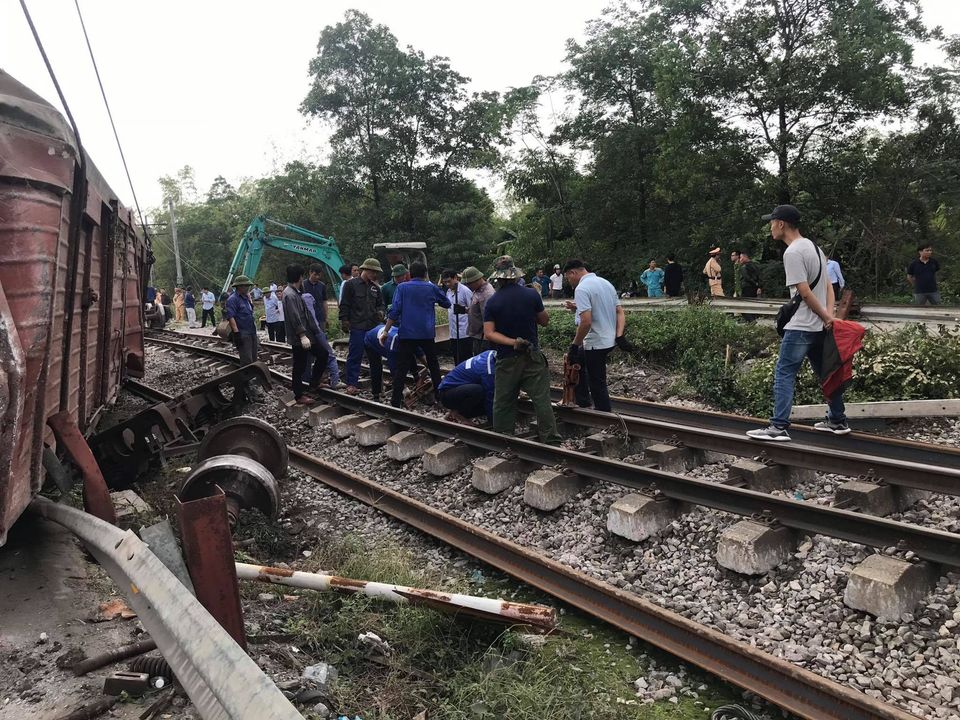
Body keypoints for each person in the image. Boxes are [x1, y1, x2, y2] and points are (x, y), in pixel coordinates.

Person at [747, 204, 848, 442]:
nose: (770, 227)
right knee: (827, 372)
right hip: (819, 326)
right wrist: (829, 315)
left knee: (784, 373)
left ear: (781, 224)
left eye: (772, 222)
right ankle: (837, 420)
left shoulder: (792, 252)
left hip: (801, 326)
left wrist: (826, 316)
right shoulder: (815, 247)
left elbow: (803, 291)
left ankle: (779, 426)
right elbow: (827, 285)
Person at [483, 255, 561, 445]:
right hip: (532, 355)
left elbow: (489, 334)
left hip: (507, 357)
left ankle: (504, 438)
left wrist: (511, 342)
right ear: (515, 275)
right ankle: (551, 439)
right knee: (541, 399)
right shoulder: (531, 294)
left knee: (503, 401)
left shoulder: (493, 302)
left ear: (498, 278)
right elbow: (544, 321)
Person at [381, 261, 449, 408]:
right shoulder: (431, 288)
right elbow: (446, 303)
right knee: (433, 365)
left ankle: (395, 401)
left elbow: (394, 311)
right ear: (425, 274)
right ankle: (440, 398)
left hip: (407, 334)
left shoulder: (402, 287)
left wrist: (386, 330)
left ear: (409, 274)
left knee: (402, 368)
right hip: (426, 333)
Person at [563, 259, 626, 413]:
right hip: (608, 339)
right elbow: (619, 311)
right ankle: (582, 403)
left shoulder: (582, 289)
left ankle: (604, 415)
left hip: (595, 341)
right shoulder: (605, 283)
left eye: (568, 277)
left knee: (597, 382)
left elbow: (586, 322)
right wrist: (619, 336)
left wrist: (574, 344)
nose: (569, 281)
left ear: (573, 272)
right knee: (577, 362)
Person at [282, 264, 330, 403]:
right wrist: (302, 335)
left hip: (309, 335)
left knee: (323, 354)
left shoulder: (296, 291)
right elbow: (295, 317)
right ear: (299, 277)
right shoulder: (289, 295)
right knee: (300, 365)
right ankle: (298, 395)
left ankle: (314, 382)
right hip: (299, 337)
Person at [340, 258, 385, 397]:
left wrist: (381, 312)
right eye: (373, 272)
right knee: (355, 355)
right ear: (367, 270)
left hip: (372, 328)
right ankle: (351, 384)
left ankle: (377, 389)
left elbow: (381, 304)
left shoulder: (375, 288)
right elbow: (345, 304)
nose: (375, 275)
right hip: (357, 326)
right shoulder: (350, 285)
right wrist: (344, 321)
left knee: (375, 358)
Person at [302, 264, 339, 388]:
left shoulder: (322, 286)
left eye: (319, 275)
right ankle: (307, 376)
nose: (317, 277)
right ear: (310, 273)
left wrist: (326, 317)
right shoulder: (303, 285)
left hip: (320, 319)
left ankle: (321, 376)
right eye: (315, 274)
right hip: (308, 322)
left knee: (322, 348)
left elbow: (324, 302)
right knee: (310, 350)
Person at [437, 350, 496, 423]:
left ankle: (456, 411)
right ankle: (459, 414)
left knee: (488, 403)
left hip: (459, 390)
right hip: (447, 394)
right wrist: (493, 420)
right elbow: (490, 395)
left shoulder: (490, 353)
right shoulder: (488, 370)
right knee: (479, 391)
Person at [224, 275, 259, 365]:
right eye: (246, 286)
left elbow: (250, 311)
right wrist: (236, 333)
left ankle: (254, 376)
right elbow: (231, 317)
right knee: (247, 359)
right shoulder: (232, 299)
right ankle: (247, 377)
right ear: (240, 286)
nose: (248, 288)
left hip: (251, 331)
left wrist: (250, 299)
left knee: (254, 357)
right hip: (243, 333)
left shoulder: (246, 298)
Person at [442, 269, 473, 364]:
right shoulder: (448, 292)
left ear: (455, 278)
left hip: (464, 332)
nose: (447, 284)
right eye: (445, 282)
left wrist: (463, 309)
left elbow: (473, 310)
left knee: (466, 359)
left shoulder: (465, 291)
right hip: (453, 333)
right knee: (457, 359)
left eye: (449, 281)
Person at [462, 266, 495, 356]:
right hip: (477, 335)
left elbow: (488, 317)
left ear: (477, 279)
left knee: (482, 363)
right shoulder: (478, 290)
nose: (468, 286)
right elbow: (478, 311)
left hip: (483, 337)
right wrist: (465, 310)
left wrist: (486, 338)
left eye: (469, 283)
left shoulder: (487, 293)